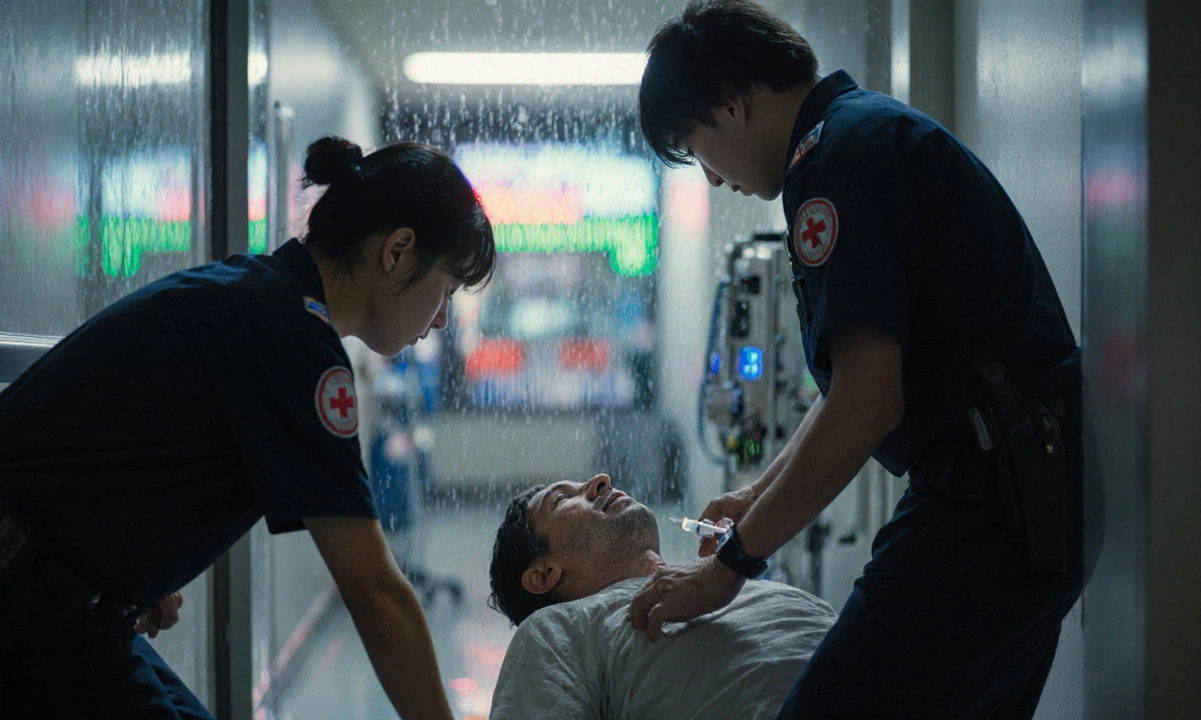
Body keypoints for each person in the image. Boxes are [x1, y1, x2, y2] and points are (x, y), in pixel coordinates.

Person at [629, 1, 1086, 718]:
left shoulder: (835, 164)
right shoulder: (865, 132)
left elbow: (869, 403)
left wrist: (730, 569)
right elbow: (857, 383)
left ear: (733, 106)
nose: (712, 179)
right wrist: (755, 501)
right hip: (1032, 490)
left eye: (695, 148)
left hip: (989, 504)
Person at [0, 135, 495, 720]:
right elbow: (374, 592)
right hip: (29, 610)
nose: (441, 319)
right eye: (447, 289)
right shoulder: (293, 340)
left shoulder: (257, 294)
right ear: (397, 251)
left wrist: (131, 566)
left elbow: (120, 436)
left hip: (71, 601)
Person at [486, 474, 836, 720]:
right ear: (544, 574)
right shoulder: (553, 632)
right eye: (562, 498)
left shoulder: (738, 585)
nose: (600, 480)